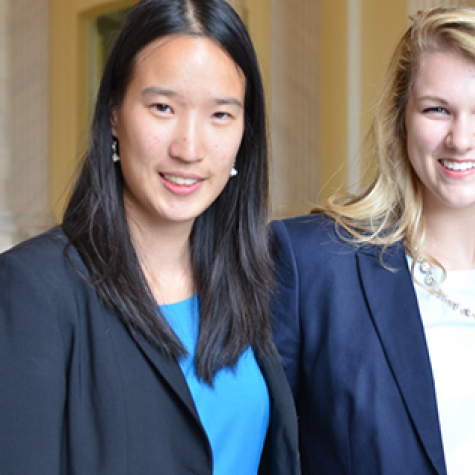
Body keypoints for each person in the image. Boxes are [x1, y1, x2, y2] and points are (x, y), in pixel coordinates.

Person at [270, 6, 475, 475]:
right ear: (401, 121)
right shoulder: (313, 262)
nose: (460, 139)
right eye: (437, 110)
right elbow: (263, 450)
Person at [0, 0, 299, 473]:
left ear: (245, 132)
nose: (189, 148)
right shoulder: (34, 289)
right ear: (114, 114)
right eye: (162, 107)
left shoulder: (254, 281)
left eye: (220, 115)